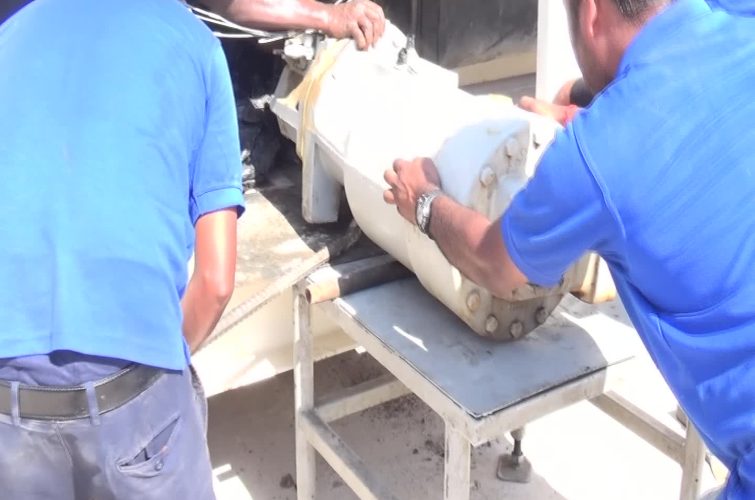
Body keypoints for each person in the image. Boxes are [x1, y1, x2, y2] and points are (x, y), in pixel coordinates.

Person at [383, 0, 755, 498]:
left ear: (590, 14)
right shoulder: (740, 20)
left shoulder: (597, 153)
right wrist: (592, 100)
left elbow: (495, 263)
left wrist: (424, 201)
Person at [0, 0, 244, 498]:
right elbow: (216, 282)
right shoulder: (195, 45)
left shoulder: (10, 35)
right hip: (131, 395)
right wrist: (151, 372)